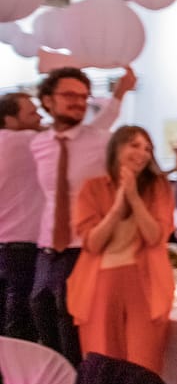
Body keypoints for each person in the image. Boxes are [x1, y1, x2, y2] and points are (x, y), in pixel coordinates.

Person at [30, 66, 136, 364]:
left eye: (83, 96)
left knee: (74, 332)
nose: (78, 102)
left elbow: (109, 124)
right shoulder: (38, 144)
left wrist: (121, 92)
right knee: (44, 326)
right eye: (69, 95)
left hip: (85, 250)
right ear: (48, 100)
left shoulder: (102, 141)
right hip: (46, 252)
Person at [65, 126, 174, 373]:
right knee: (103, 364)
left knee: (143, 365)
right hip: (99, 282)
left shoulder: (158, 187)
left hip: (146, 283)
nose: (142, 153)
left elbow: (155, 236)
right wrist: (117, 206)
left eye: (147, 148)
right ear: (117, 148)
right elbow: (92, 243)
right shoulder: (93, 188)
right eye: (134, 145)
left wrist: (134, 198)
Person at [0, 93, 44, 340]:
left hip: (4, 247)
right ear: (10, 119)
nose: (39, 116)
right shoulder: (24, 142)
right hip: (23, 250)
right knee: (21, 330)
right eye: (32, 112)